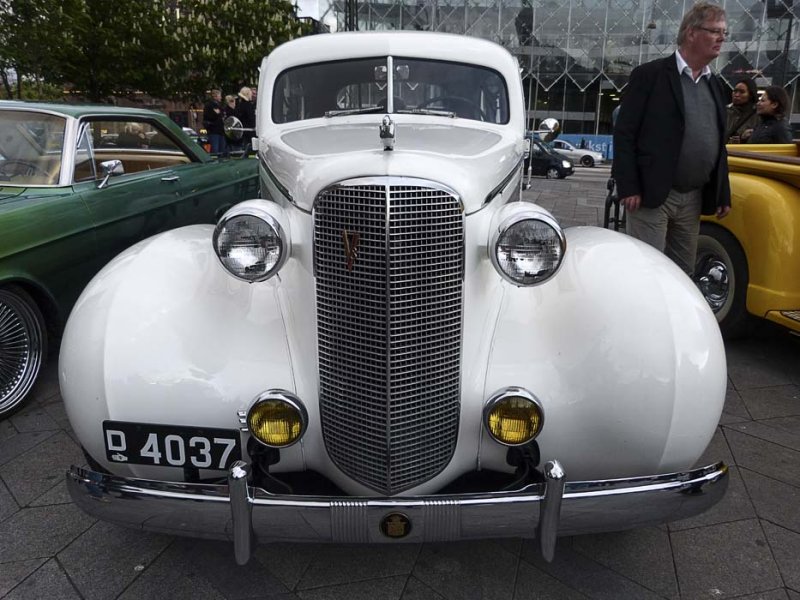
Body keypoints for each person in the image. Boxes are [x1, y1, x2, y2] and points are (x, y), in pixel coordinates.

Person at [613, 1, 731, 277]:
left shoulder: (714, 85)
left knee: (682, 273)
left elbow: (718, 143)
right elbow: (625, 132)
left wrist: (722, 191)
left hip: (693, 196)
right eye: (715, 31)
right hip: (651, 194)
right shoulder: (650, 76)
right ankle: (641, 319)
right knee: (647, 270)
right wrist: (628, 185)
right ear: (691, 33)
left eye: (724, 33)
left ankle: (675, 321)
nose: (721, 38)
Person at [725, 77, 759, 143]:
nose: (737, 95)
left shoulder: (758, 115)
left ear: (751, 95)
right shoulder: (725, 111)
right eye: (735, 91)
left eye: (742, 92)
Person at [202, 88, 226, 154]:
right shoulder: (209, 105)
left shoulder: (220, 106)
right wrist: (216, 114)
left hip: (221, 131)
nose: (221, 97)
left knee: (222, 150)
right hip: (214, 131)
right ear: (215, 96)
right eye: (220, 96)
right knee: (215, 150)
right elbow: (209, 117)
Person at [235, 86, 256, 152]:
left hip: (243, 130)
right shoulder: (247, 105)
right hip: (249, 130)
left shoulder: (240, 105)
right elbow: (251, 118)